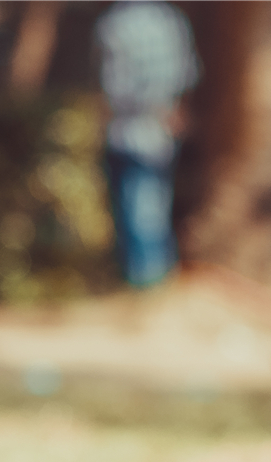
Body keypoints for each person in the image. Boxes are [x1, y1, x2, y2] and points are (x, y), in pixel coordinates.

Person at [94, 0, 198, 287]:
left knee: (137, 213)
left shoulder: (116, 23)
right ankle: (158, 280)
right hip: (163, 131)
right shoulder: (171, 19)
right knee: (156, 209)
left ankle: (147, 284)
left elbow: (113, 87)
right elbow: (187, 76)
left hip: (127, 131)